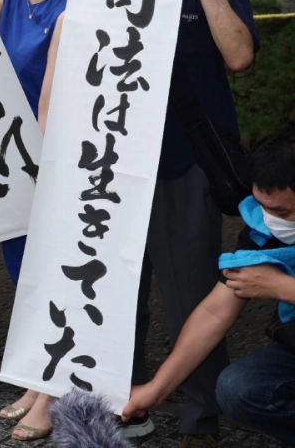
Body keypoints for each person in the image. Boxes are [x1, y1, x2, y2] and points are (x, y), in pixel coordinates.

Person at [119, 0, 258, 448]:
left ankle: (201, 420)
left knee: (190, 292)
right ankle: (120, 405)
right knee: (114, 293)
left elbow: (240, 57)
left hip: (183, 165)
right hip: (116, 161)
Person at [123, 126, 295, 447]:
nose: (269, 219)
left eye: (280, 212)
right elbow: (215, 312)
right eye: (261, 206)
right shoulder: (263, 230)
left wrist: (283, 287)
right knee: (238, 387)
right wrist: (156, 388)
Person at [0, 0, 77, 442]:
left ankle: (55, 392)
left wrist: (38, 170)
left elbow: (55, 99)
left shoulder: (72, 7)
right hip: (3, 157)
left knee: (51, 277)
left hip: (46, 160)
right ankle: (36, 381)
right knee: (24, 279)